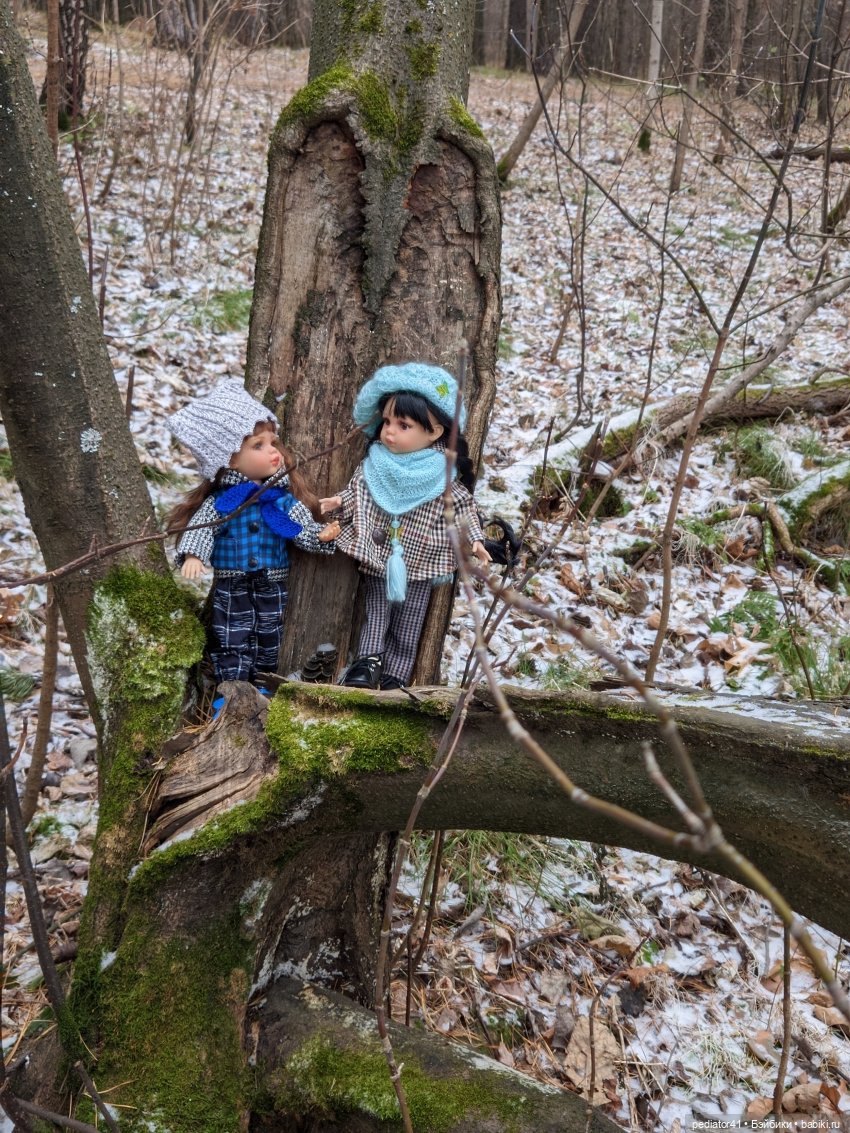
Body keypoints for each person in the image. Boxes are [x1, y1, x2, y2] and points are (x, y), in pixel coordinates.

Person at [320, 362, 491, 691]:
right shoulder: (375, 463)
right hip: (380, 554)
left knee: (409, 621)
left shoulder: (444, 473)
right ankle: (367, 665)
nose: (389, 432)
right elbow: (359, 490)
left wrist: (476, 540)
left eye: (403, 424)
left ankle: (397, 673)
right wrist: (339, 502)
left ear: (436, 431)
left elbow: (464, 507)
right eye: (386, 421)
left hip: (423, 559)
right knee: (376, 613)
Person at [166, 379, 339, 691]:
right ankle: (231, 690)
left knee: (269, 634)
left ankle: (260, 686)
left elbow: (300, 530)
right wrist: (194, 554)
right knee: (231, 634)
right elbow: (204, 527)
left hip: (272, 581)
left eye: (273, 443)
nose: (273, 453)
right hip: (232, 583)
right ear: (229, 458)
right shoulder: (224, 502)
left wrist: (321, 536)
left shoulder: (282, 499)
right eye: (258, 445)